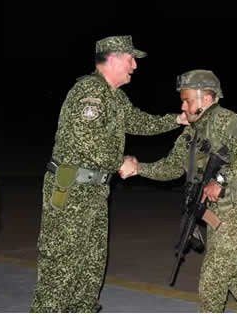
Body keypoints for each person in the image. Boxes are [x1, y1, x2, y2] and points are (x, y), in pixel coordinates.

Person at [30, 35, 187, 312]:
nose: (135, 66)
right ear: (113, 58)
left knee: (91, 264)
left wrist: (177, 119)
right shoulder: (89, 91)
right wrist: (120, 163)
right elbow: (87, 140)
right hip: (72, 190)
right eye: (130, 59)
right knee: (62, 267)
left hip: (95, 190)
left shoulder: (114, 96)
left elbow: (139, 121)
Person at [120, 69, 237, 312]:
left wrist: (221, 178)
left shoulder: (225, 120)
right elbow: (171, 167)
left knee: (213, 277)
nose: (182, 106)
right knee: (229, 268)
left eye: (187, 100)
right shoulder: (192, 131)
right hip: (213, 208)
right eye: (182, 100)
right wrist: (139, 168)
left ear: (207, 99)